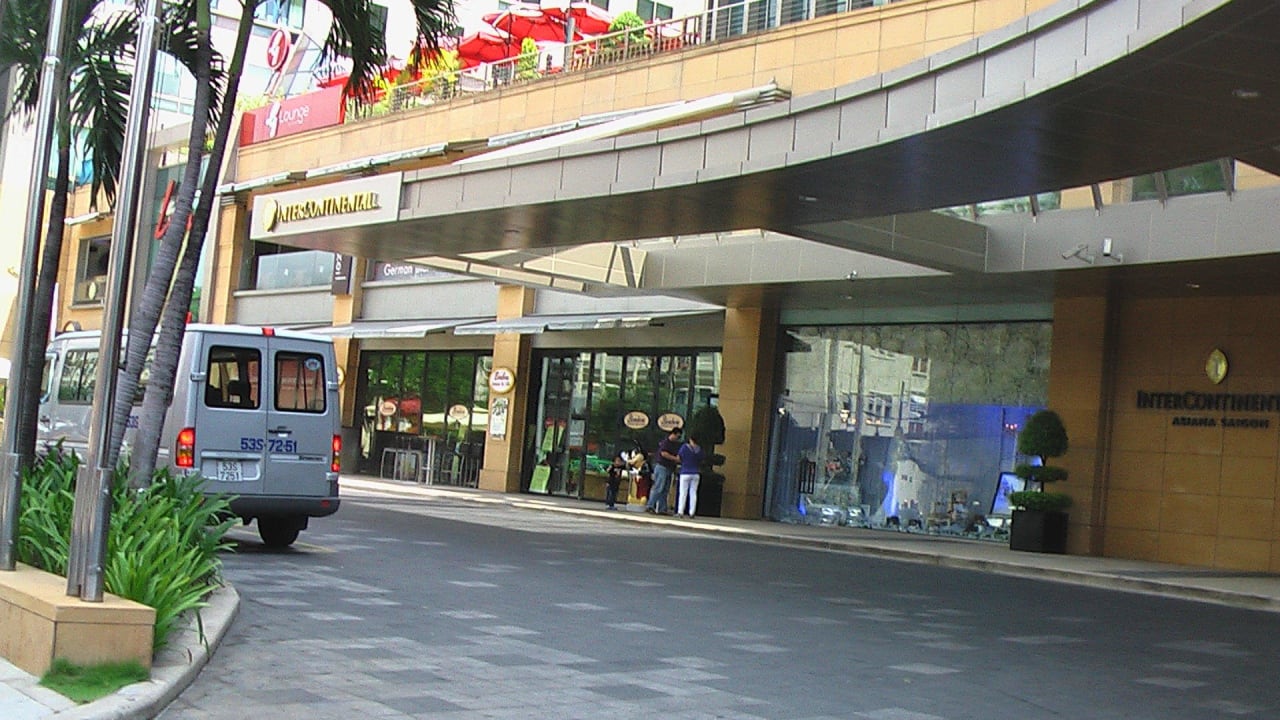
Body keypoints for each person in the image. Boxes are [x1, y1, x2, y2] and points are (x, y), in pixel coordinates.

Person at [646, 427, 682, 514]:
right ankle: (650, 506)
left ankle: (662, 508)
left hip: (669, 468)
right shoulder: (666, 442)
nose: (678, 438)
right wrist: (675, 459)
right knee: (659, 487)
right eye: (677, 436)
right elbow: (664, 453)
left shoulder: (675, 444)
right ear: (673, 434)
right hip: (662, 466)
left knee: (665, 489)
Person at [676, 434, 704, 518]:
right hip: (695, 473)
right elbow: (702, 460)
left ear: (690, 439)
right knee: (693, 493)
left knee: (683, 493)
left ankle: (680, 512)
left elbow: (678, 458)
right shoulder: (699, 449)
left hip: (685, 472)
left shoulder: (684, 447)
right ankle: (692, 512)